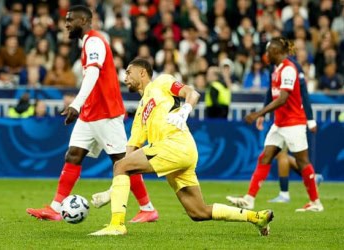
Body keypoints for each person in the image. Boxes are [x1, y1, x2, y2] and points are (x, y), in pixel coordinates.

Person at [88, 58, 273, 237]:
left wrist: (185, 110)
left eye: (128, 72)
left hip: (175, 144)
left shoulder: (162, 81)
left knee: (121, 166)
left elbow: (192, 93)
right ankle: (256, 217)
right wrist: (112, 192)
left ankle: (117, 225)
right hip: (176, 153)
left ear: (142, 72)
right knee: (198, 212)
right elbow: (127, 161)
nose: (125, 77)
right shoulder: (140, 112)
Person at [26, 5, 158, 223]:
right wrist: (82, 107)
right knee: (73, 155)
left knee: (122, 161)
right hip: (90, 113)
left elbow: (94, 73)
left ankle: (148, 208)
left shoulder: (94, 41)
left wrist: (76, 104)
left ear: (84, 21)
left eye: (71, 20)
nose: (66, 23)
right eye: (65, 20)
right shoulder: (87, 43)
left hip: (106, 112)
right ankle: (56, 208)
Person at [227, 37, 324, 212]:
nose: (266, 55)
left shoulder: (289, 70)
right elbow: (272, 95)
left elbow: (283, 99)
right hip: (279, 123)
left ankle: (316, 202)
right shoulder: (276, 70)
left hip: (294, 123)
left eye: (268, 51)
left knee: (302, 162)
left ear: (278, 52)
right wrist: (263, 115)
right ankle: (249, 199)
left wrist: (259, 113)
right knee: (265, 157)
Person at [257, 55, 323, 203]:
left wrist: (310, 118)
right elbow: (271, 89)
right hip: (280, 117)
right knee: (283, 156)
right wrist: (264, 112)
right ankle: (310, 177)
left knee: (283, 155)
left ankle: (285, 193)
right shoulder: (273, 66)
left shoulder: (292, 66)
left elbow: (303, 91)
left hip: (292, 118)